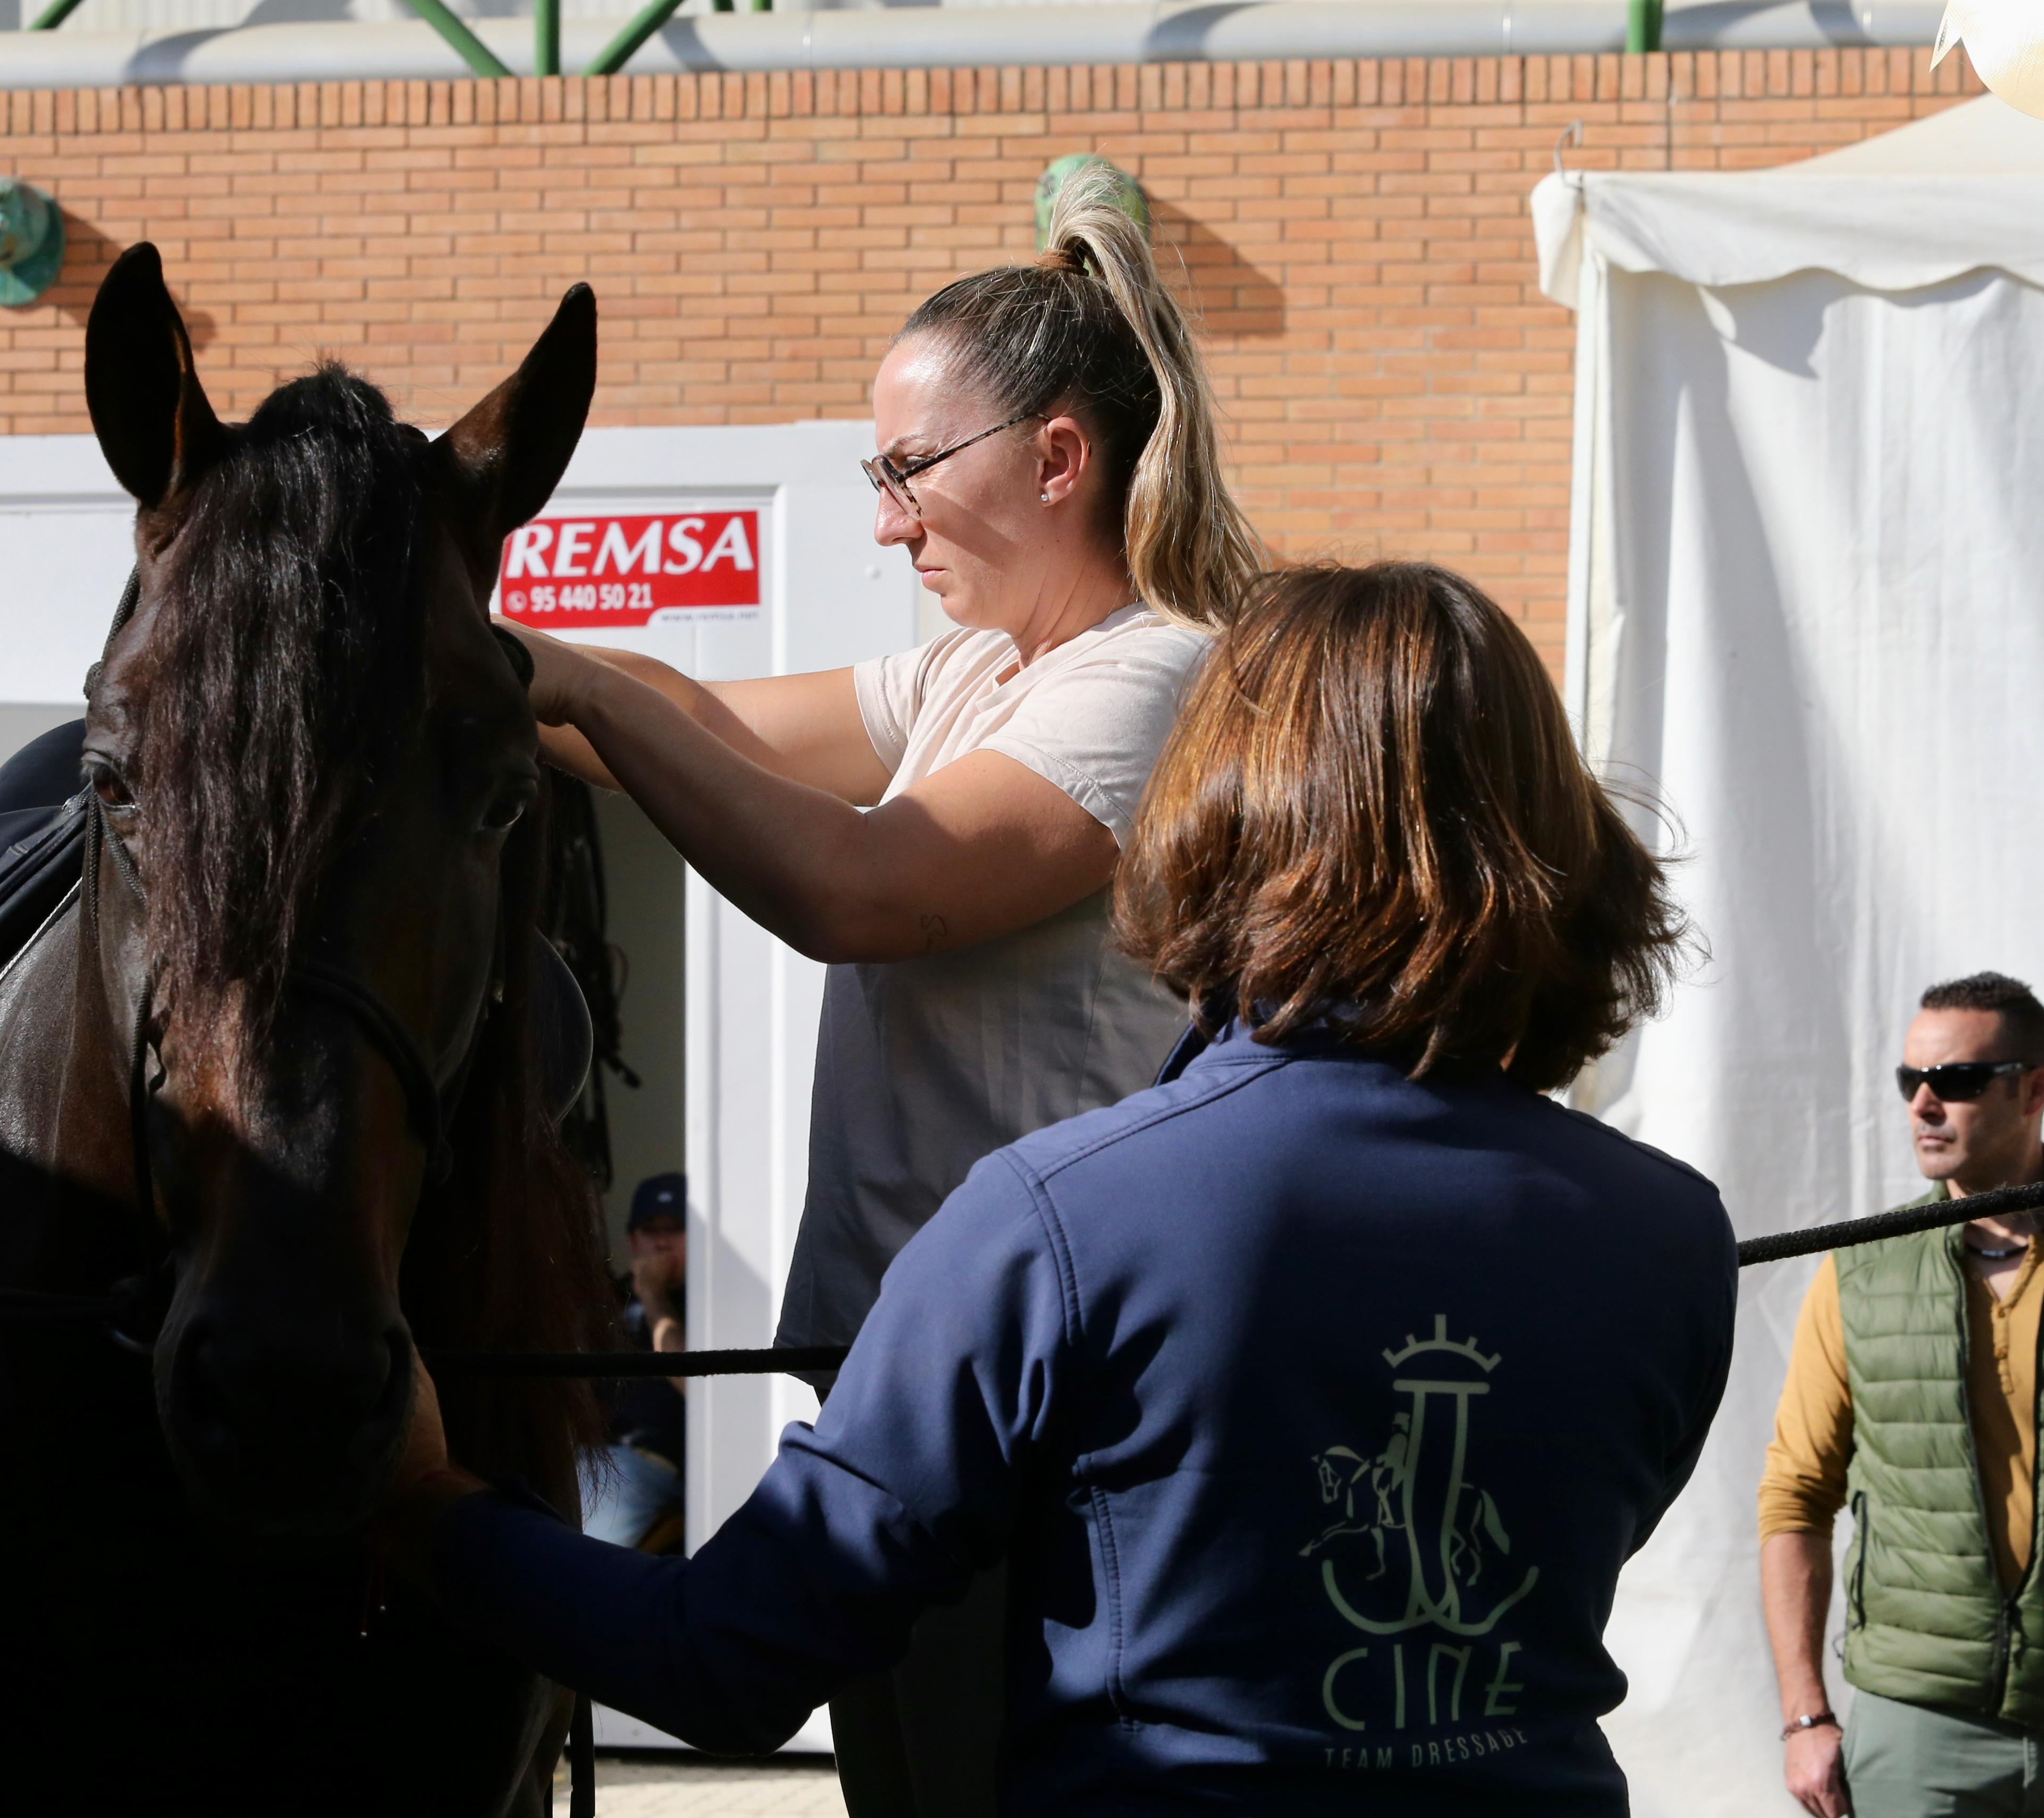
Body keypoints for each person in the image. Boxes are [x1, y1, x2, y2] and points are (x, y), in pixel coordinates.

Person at [388, 561, 1737, 1814]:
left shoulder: (1061, 1220)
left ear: (1216, 807)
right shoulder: (1670, 1231)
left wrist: (431, 1497)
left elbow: (725, 1655)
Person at [501, 162, 1259, 1813]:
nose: (885, 517)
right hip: (924, 1391)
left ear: (1059, 459)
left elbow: (858, 891)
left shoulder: (1152, 679)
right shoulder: (981, 667)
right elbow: (688, 719)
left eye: (910, 468)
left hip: (1049, 1418)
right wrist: (484, 655)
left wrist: (554, 681)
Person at [1759, 973, 2044, 1818]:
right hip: (1916, 1729)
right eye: (1910, 1080)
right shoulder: (1862, 1268)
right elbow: (1795, 1496)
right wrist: (1805, 1716)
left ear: (2036, 1088)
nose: (1923, 1104)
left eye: (1954, 1080)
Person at [581, 1173, 690, 1553]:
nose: (661, 1242)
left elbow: (699, 1386)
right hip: (594, 1455)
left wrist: (654, 1295)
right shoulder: (608, 1299)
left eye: (675, 1229)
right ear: (632, 1241)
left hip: (660, 1466)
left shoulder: (710, 1296)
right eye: (650, 1230)